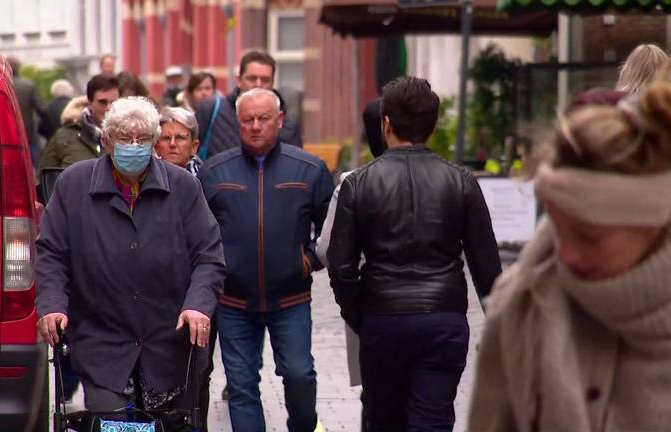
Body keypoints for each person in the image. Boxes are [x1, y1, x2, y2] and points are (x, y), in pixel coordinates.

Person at [469, 70, 671, 432]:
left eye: (590, 236)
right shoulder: (521, 307)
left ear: (654, 225)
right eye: (559, 230)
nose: (568, 255)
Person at [326, 77, 502, 432]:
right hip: (443, 318)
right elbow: (487, 267)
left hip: (382, 319)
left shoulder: (357, 184)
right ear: (433, 126)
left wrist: (360, 313)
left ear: (386, 123)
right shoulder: (462, 182)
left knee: (384, 420)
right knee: (433, 420)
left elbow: (340, 265)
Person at [35, 96, 226, 412]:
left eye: (142, 139)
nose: (133, 146)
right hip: (102, 342)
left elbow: (209, 256)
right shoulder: (74, 184)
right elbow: (52, 253)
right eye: (125, 138)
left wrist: (198, 306)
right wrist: (53, 305)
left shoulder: (183, 187)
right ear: (106, 140)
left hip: (170, 343)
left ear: (154, 142)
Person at [198, 88, 334, 432]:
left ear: (280, 121)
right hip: (233, 301)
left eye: (264, 119)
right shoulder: (214, 172)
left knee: (299, 375)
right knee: (241, 387)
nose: (256, 126)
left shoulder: (310, 169)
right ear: (238, 123)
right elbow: (199, 233)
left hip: (291, 298)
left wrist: (310, 261)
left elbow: (334, 228)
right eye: (248, 120)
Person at [315, 97, 385, 396]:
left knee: (380, 402)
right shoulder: (453, 178)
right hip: (439, 313)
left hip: (373, 308)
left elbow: (327, 248)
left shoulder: (352, 183)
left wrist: (351, 305)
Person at [195, 51, 302, 161]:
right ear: (239, 80)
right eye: (252, 78)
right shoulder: (211, 110)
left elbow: (297, 165)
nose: (258, 84)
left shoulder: (287, 123)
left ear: (273, 82)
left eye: (265, 80)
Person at [38, 74, 119, 171]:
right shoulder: (63, 136)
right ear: (89, 102)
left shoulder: (130, 138)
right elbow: (45, 177)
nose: (108, 108)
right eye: (102, 102)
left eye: (114, 103)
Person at [7, 56, 46, 169]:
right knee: (31, 170)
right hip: (27, 135)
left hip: (5, 136)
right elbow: (42, 109)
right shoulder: (28, 85)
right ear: (19, 68)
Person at [156, 107, 202, 175]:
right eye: (166, 138)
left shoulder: (206, 179)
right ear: (156, 146)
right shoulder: (145, 179)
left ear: (194, 147)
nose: (172, 144)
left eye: (180, 138)